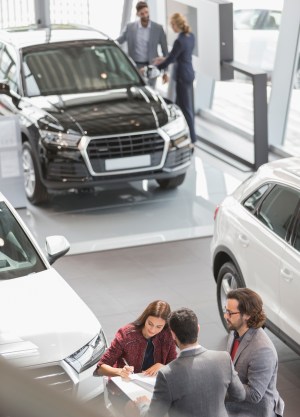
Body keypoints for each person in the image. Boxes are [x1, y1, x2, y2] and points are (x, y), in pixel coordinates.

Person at [134, 307, 245, 417]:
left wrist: (142, 404)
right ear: (198, 329)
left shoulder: (167, 374)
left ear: (173, 335)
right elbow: (240, 395)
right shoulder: (223, 358)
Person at [224, 288, 285, 417]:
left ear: (247, 315)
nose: (226, 316)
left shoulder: (262, 350)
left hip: (253, 412)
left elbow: (254, 394)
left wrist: (221, 387)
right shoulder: (234, 331)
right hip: (234, 408)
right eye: (226, 311)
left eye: (230, 313)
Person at [94, 300, 177, 378]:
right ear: (145, 318)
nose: (152, 330)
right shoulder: (126, 334)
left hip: (153, 384)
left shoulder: (168, 335)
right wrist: (120, 372)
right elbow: (100, 369)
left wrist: (163, 366)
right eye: (150, 324)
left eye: (159, 327)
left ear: (165, 325)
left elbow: (174, 365)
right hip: (125, 384)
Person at [153, 13, 196, 144]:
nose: (172, 28)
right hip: (189, 73)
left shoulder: (179, 40)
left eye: (172, 25)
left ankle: (192, 138)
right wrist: (163, 59)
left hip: (182, 76)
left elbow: (172, 59)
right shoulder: (190, 37)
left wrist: (157, 68)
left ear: (177, 24)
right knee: (180, 106)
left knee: (185, 108)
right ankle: (182, 134)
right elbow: (179, 56)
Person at [116, 1, 168, 81]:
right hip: (135, 66)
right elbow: (119, 41)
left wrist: (166, 71)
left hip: (152, 66)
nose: (145, 15)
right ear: (137, 14)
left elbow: (165, 51)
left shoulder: (158, 29)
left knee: (151, 90)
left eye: (146, 12)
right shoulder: (130, 27)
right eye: (142, 13)